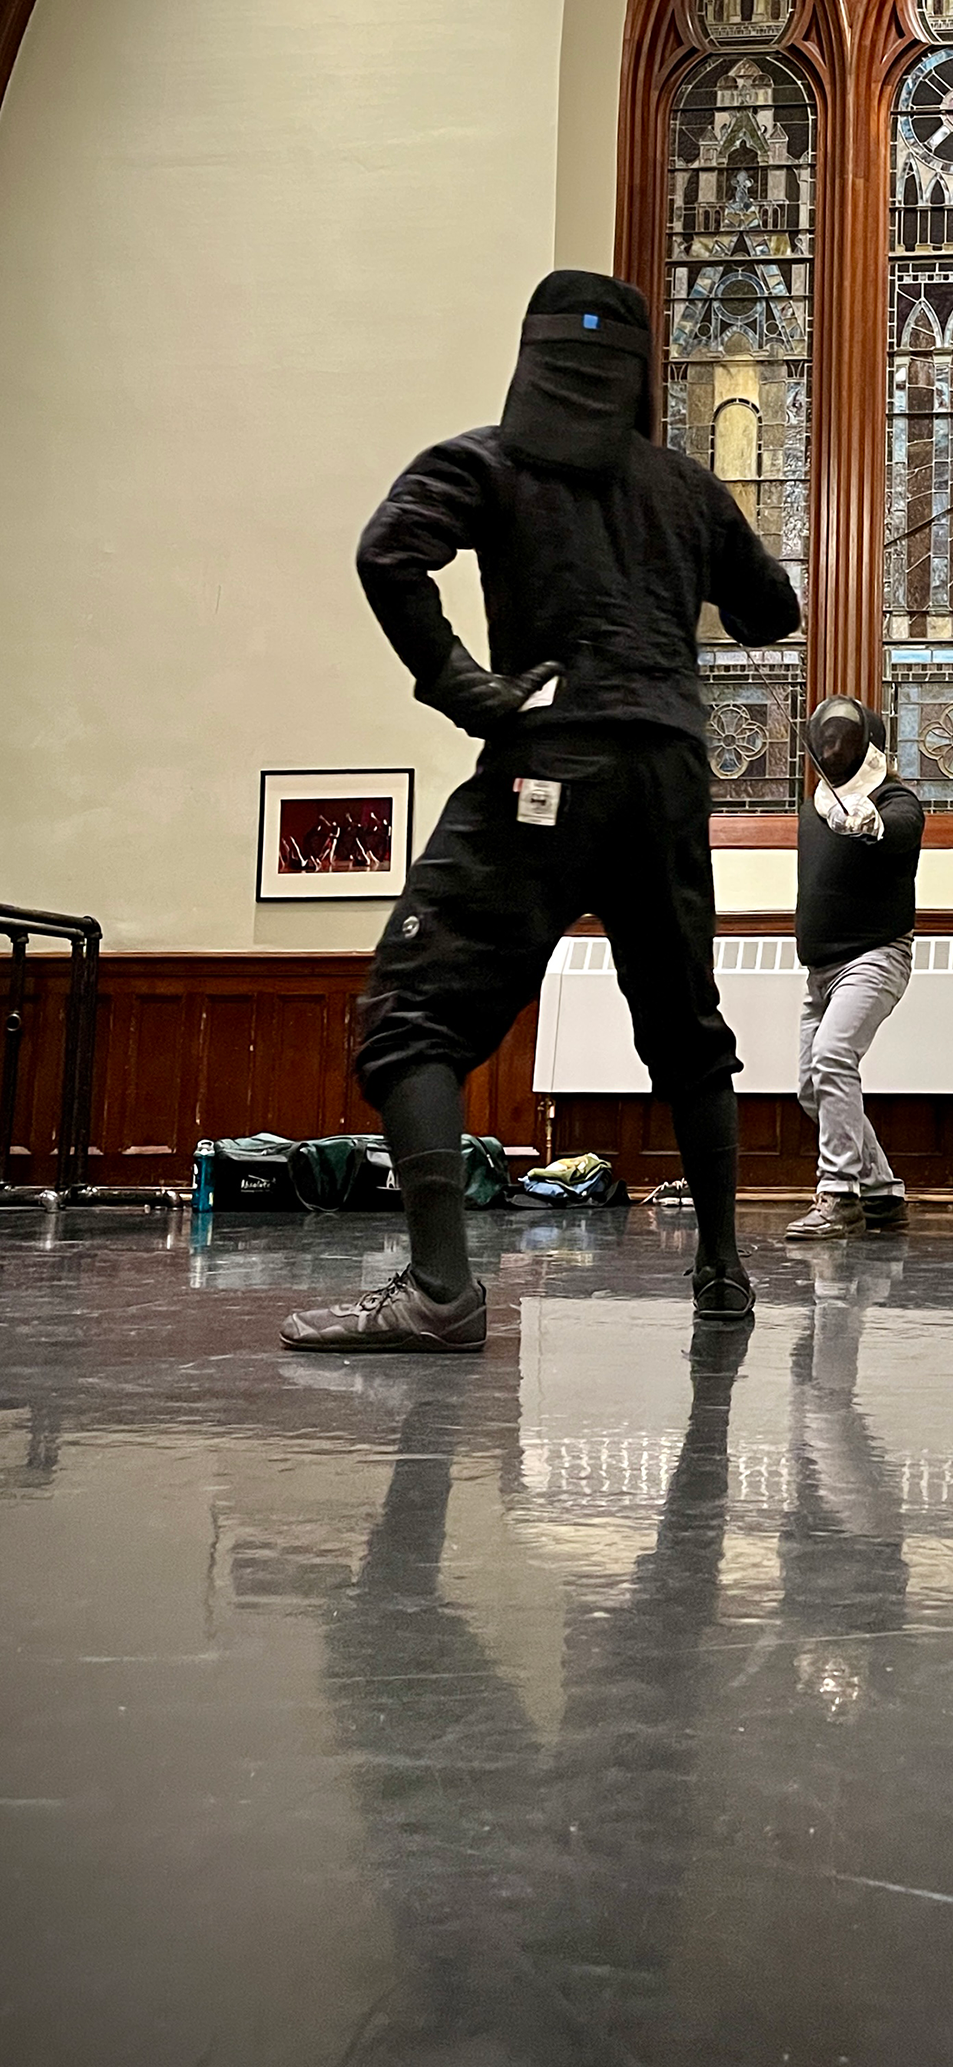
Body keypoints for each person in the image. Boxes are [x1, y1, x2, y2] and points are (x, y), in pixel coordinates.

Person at [280, 269, 799, 1353]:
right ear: (640, 376)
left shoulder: (486, 462)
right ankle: (721, 1270)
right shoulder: (687, 489)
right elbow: (773, 610)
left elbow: (388, 552)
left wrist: (461, 685)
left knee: (409, 1018)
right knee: (687, 1032)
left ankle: (439, 1292)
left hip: (547, 768)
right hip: (667, 775)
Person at [787, 697, 923, 1242]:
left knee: (832, 1055)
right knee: (811, 1087)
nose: (832, 747)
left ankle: (839, 1194)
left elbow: (901, 829)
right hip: (819, 972)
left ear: (867, 745)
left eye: (843, 739)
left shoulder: (894, 800)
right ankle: (882, 1193)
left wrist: (871, 823)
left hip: (876, 957)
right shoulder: (814, 809)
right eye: (826, 739)